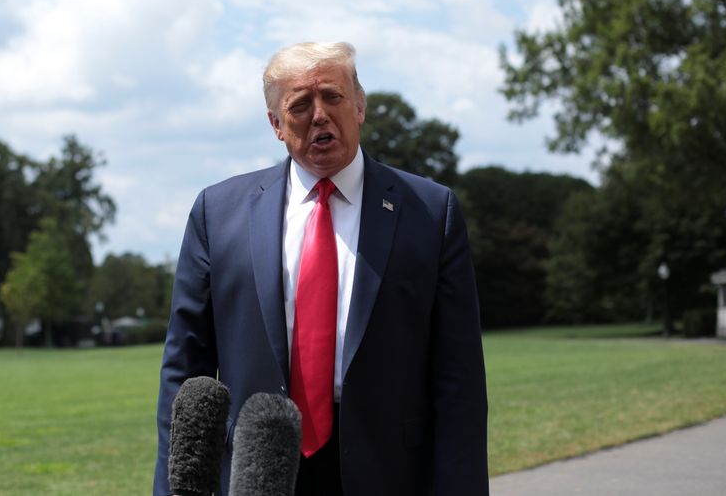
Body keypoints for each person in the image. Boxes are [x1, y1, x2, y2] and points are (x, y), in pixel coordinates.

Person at [153, 42, 488, 496]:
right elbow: (184, 370)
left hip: (390, 473)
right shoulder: (218, 212)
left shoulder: (430, 212)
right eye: (300, 104)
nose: (320, 115)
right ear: (276, 124)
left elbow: (459, 379)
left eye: (333, 97)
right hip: (258, 472)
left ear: (360, 106)